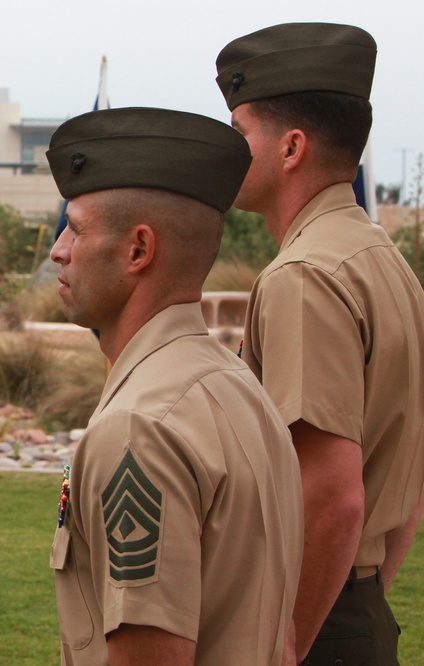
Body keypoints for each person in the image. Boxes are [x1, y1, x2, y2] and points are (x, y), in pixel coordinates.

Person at [47, 107, 303, 665]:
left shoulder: (138, 426)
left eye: (77, 228)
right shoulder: (240, 388)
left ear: (138, 250)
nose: (58, 249)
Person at [216, 23, 424, 665]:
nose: (226, 151)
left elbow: (331, 494)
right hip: (353, 611)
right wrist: (361, 598)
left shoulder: (305, 277)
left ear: (291, 147)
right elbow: (408, 476)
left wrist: (287, 645)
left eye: (240, 131)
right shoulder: (383, 261)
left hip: (317, 624)